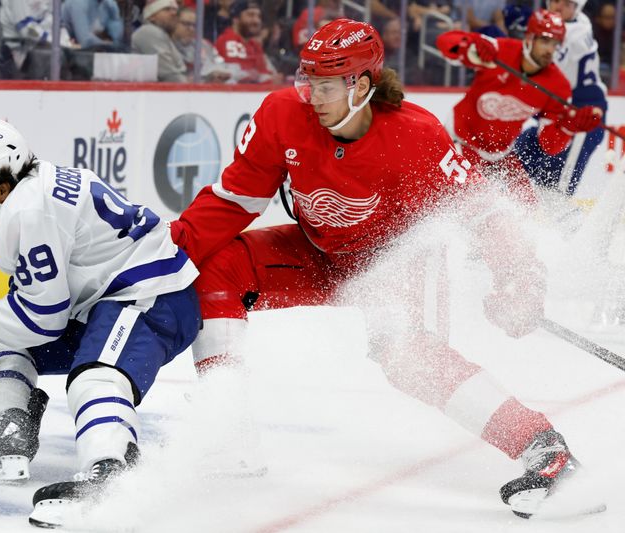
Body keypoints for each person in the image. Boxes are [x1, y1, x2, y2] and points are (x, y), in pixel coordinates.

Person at [170, 18, 602, 518]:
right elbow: (234, 199)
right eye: (306, 79)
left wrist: (519, 278)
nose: (311, 94)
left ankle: (545, 449)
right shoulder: (282, 112)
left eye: (326, 83)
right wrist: (167, 254)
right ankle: (227, 432)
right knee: (218, 265)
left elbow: (484, 210)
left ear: (362, 85)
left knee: (404, 357)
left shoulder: (416, 136)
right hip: (317, 252)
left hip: (392, 262)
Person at [0, 119, 201, 528]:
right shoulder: (30, 190)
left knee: (94, 379)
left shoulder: (27, 209)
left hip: (151, 296)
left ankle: (111, 472)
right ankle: (10, 430)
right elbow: (35, 308)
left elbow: (43, 318)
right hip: (108, 300)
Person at [436, 9, 602, 200]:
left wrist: (568, 127)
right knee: (467, 202)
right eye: (545, 41)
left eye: (555, 44)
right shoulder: (500, 50)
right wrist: (469, 44)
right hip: (460, 143)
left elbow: (549, 145)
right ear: (530, 38)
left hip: (501, 154)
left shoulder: (558, 85)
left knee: (528, 208)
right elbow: (445, 42)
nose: (550, 49)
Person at [513, 0, 608, 196]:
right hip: (557, 114)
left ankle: (562, 223)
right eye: (555, 1)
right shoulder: (581, 21)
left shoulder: (572, 37)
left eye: (566, 4)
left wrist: (521, 32)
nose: (558, 7)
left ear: (577, 8)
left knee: (556, 190)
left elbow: (541, 72)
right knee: (516, 163)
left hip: (583, 119)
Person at [214, 0, 282, 83]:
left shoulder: (255, 45)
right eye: (250, 15)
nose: (257, 21)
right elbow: (238, 76)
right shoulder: (227, 41)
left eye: (259, 16)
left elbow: (266, 73)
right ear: (236, 19)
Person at [131, 0, 188, 82]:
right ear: (151, 16)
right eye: (167, 9)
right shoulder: (149, 32)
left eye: (175, 10)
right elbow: (170, 76)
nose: (174, 13)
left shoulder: (164, 36)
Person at [172, 6, 231, 82]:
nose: (191, 29)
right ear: (174, 23)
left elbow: (221, 65)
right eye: (186, 24)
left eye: (195, 25)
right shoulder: (166, 45)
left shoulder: (204, 45)